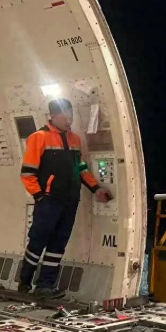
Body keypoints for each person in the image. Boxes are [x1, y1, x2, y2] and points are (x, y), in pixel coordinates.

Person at [19, 98, 112, 298]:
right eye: (65, 117)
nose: (69, 120)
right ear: (52, 116)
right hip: (48, 201)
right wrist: (40, 197)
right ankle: (24, 282)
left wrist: (95, 188)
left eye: (71, 116)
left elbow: (81, 168)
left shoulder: (75, 140)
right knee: (38, 241)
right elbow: (27, 173)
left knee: (58, 244)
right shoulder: (38, 138)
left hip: (69, 201)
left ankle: (45, 285)